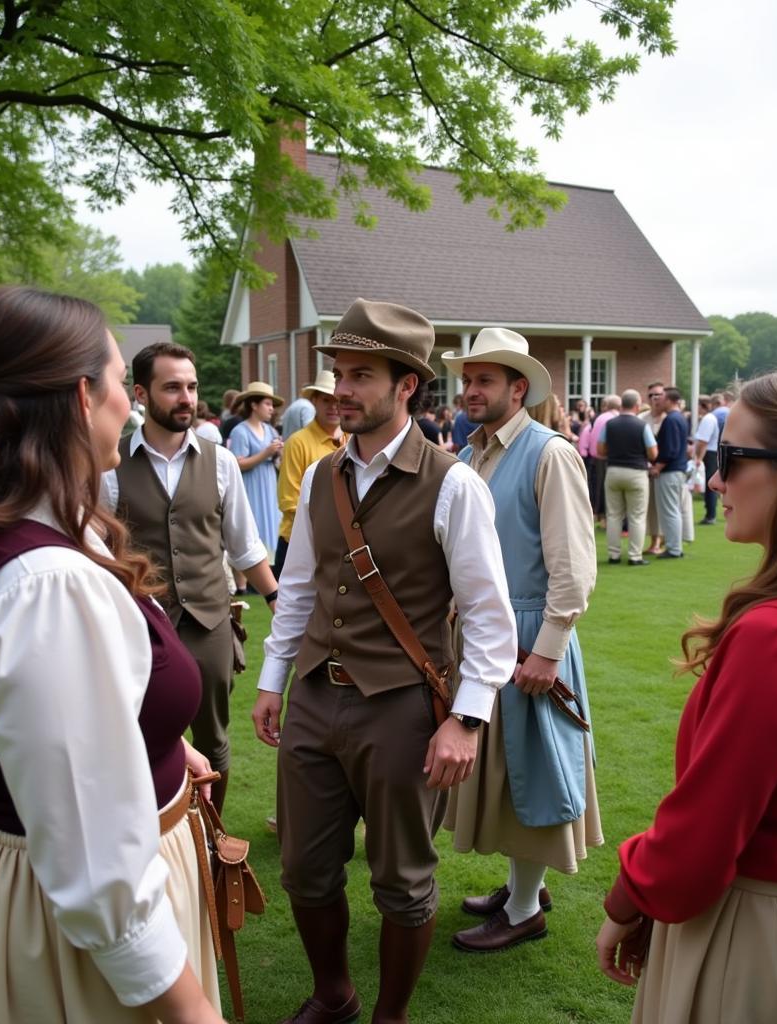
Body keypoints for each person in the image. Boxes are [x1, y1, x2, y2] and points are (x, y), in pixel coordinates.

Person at [0, 286, 227, 1024]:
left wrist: (162, 746)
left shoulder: (13, 525)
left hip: (16, 878)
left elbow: (69, 718)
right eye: (120, 383)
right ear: (79, 398)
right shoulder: (47, 587)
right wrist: (192, 1011)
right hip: (56, 934)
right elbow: (98, 872)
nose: (130, 403)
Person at [251, 298, 517, 1024]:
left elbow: (491, 617)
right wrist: (274, 682)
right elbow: (300, 587)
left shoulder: (454, 483)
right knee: (305, 871)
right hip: (313, 698)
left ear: (407, 385)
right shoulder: (320, 476)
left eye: (361, 373)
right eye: (339, 370)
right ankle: (333, 995)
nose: (342, 387)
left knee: (401, 880)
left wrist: (465, 720)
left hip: (401, 706)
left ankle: (390, 1017)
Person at [596, 364, 777, 1023]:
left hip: (767, 938)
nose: (717, 480)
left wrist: (625, 901)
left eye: (733, 458)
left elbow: (700, 840)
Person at [440, 328, 601, 953]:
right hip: (485, 634)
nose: (471, 389)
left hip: (530, 635)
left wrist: (549, 647)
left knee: (531, 771)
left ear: (519, 388)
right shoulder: (469, 453)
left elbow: (574, 563)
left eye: (486, 380)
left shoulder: (548, 452)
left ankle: (527, 907)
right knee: (506, 773)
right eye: (468, 378)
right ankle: (519, 888)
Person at [101, 342, 277, 813]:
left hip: (209, 623)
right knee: (142, 735)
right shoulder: (111, 468)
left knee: (214, 740)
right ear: (140, 393)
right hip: (140, 629)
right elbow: (96, 553)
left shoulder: (219, 462)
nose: (186, 397)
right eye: (172, 387)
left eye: (192, 386)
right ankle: (155, 835)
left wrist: (276, 599)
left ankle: (212, 841)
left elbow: (245, 546)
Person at [273, 370, 346, 579]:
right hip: (298, 544)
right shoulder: (298, 442)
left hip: (342, 544)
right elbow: (289, 500)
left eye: (337, 400)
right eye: (326, 400)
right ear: (314, 401)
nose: (333, 406)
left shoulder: (353, 439)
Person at [598, 389, 658, 566]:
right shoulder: (642, 425)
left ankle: (614, 554)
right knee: (637, 516)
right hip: (637, 472)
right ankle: (635, 555)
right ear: (638, 406)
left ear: (622, 404)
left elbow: (600, 450)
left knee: (614, 515)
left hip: (614, 470)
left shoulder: (610, 424)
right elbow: (653, 453)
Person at [228, 382, 284, 553]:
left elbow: (278, 462)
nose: (271, 409)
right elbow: (238, 464)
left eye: (272, 405)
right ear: (254, 405)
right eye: (267, 404)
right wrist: (266, 452)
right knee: (254, 527)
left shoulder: (271, 430)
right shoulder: (240, 431)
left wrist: (279, 453)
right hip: (251, 486)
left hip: (269, 485)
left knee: (273, 525)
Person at [650, 387, 687, 559]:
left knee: (670, 511)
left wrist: (657, 467)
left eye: (662, 397)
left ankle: (673, 548)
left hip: (670, 471)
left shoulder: (671, 420)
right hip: (677, 470)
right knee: (674, 510)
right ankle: (675, 546)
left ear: (671, 400)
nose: (659, 400)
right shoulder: (680, 418)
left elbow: (670, 449)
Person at [640, 383, 666, 554]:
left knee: (667, 507)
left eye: (658, 395)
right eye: (651, 395)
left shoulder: (669, 418)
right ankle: (654, 540)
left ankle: (667, 540)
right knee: (651, 508)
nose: (655, 398)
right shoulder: (642, 419)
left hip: (667, 468)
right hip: (647, 468)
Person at [692, 395, 720, 525]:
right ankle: (710, 514)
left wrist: (698, 458)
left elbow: (703, 441)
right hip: (710, 453)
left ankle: (710, 515)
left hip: (709, 454)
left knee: (709, 485)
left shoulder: (708, 419)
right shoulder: (709, 418)